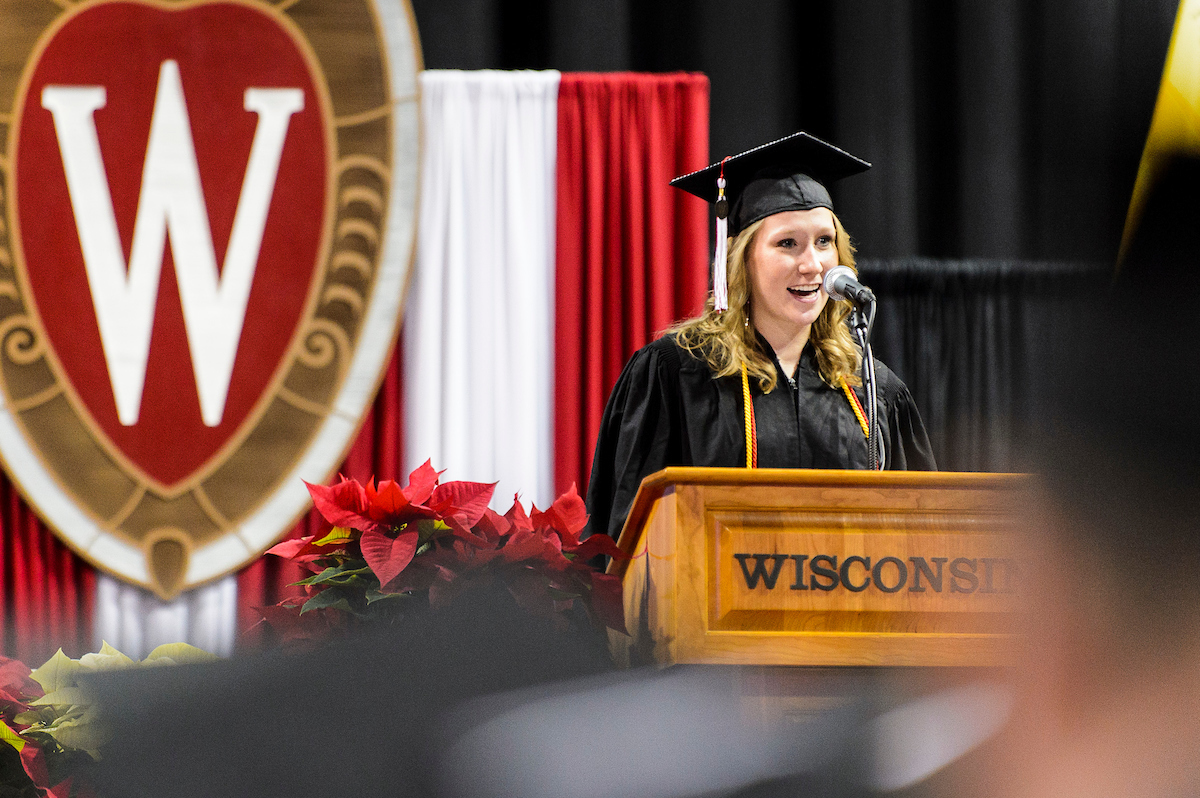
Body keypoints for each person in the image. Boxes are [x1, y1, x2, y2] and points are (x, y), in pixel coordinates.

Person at [586, 132, 936, 542]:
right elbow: (625, 536)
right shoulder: (677, 375)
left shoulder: (872, 389)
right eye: (787, 243)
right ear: (742, 260)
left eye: (824, 242)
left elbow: (919, 537)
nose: (812, 265)